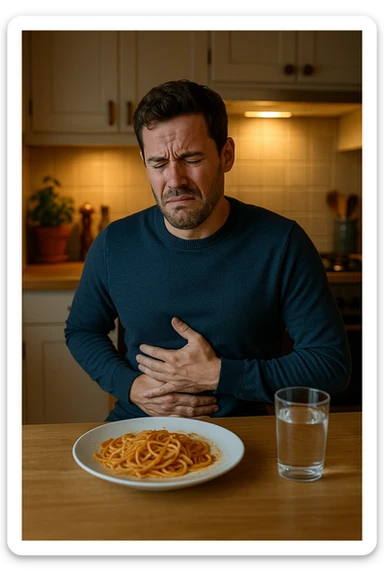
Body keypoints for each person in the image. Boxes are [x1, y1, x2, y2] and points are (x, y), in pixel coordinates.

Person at [64, 79, 351, 421]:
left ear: (226, 155)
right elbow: (82, 331)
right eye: (158, 163)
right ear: (144, 161)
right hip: (137, 432)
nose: (175, 180)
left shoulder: (282, 243)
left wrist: (218, 375)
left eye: (192, 158)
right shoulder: (114, 243)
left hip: (245, 438)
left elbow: (330, 364)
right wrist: (130, 386)